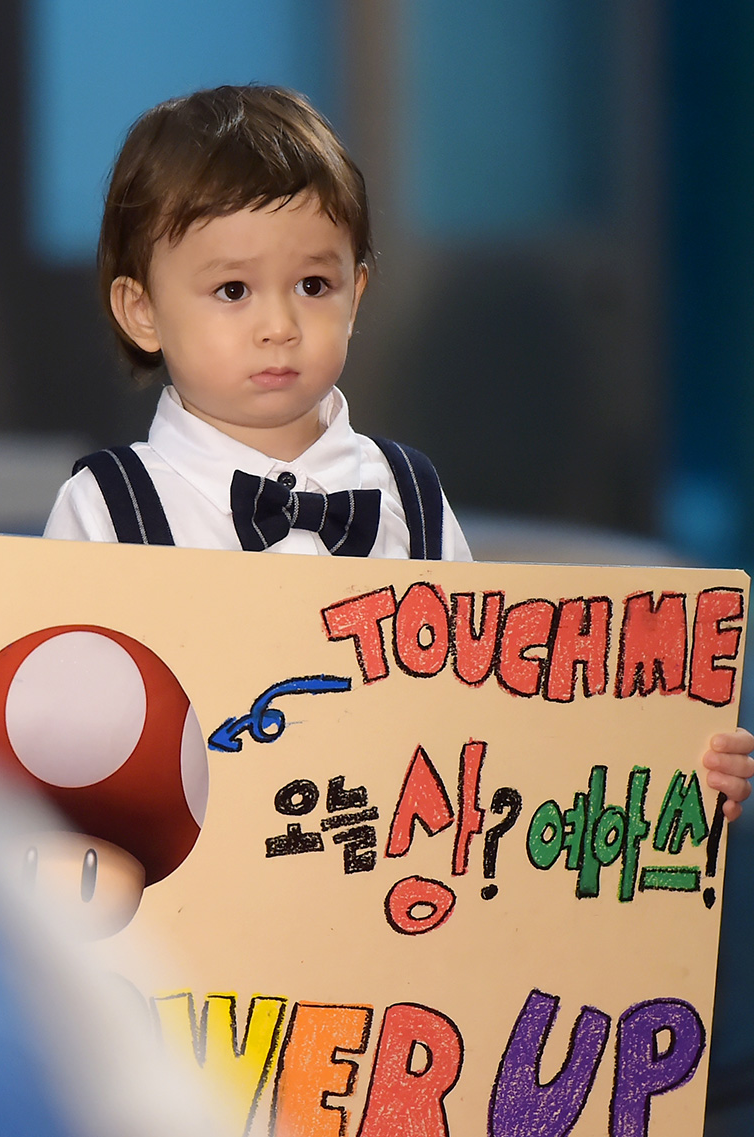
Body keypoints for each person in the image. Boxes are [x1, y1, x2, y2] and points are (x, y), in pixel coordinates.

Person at [43, 83, 754, 815]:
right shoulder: (104, 507)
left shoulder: (409, 496)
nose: (280, 324)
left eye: (313, 284)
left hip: (395, 905)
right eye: (232, 291)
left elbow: (492, 726)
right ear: (141, 310)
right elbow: (46, 758)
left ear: (356, 292)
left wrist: (673, 781)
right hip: (182, 915)